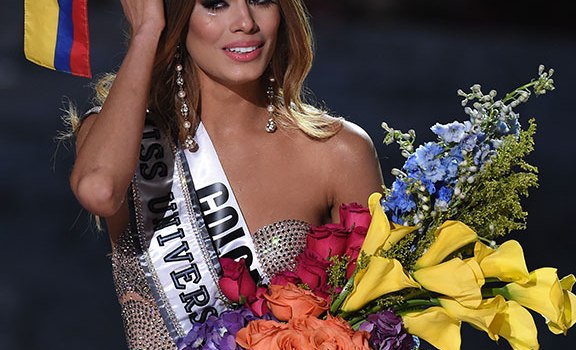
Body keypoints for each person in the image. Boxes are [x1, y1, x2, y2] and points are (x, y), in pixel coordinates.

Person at [69, 0, 383, 348]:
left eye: (261, 1)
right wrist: (146, 32)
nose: (245, 22)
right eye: (216, 4)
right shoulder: (127, 143)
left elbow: (380, 320)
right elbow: (99, 190)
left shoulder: (338, 153)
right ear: (178, 18)